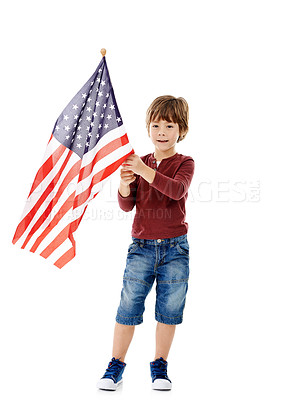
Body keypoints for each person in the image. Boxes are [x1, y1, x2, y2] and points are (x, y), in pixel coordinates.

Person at [97, 95, 195, 391]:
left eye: (169, 125)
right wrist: (126, 183)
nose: (162, 131)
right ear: (148, 128)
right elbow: (128, 205)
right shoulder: (141, 162)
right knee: (128, 306)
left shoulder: (184, 163)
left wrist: (143, 171)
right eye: (156, 125)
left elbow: (176, 190)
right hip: (141, 247)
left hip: (175, 249)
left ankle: (160, 365)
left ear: (182, 130)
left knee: (169, 309)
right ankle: (116, 364)